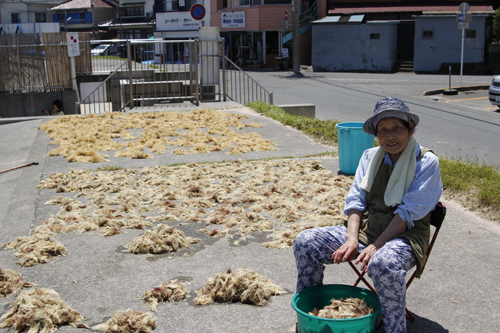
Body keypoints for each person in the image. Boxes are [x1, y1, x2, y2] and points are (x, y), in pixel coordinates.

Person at [293, 97, 442, 333]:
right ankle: (311, 314)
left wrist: (379, 245)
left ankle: (395, 329)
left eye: (396, 128)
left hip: (405, 237)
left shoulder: (425, 161)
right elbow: (356, 201)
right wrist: (352, 238)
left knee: (384, 263)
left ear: (411, 128)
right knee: (305, 242)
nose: (390, 136)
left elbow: (407, 213)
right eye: (383, 130)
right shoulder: (370, 157)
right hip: (366, 232)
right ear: (376, 134)